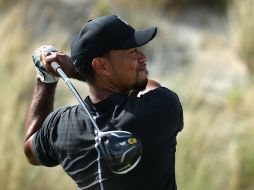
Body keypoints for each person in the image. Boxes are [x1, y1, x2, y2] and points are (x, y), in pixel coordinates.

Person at [24, 15, 184, 190]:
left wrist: (45, 80)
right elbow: (148, 86)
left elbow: (30, 151)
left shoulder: (61, 128)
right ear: (102, 66)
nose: (143, 57)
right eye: (132, 52)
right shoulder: (160, 109)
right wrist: (75, 71)